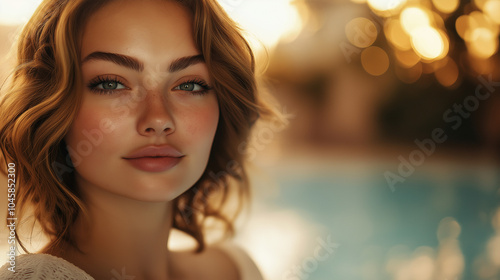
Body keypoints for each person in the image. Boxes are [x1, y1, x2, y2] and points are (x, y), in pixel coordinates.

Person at [0, 0, 280, 279]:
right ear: (53, 106)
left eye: (189, 85)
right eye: (111, 84)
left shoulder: (237, 269)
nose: (158, 119)